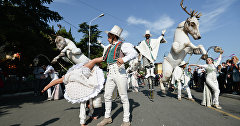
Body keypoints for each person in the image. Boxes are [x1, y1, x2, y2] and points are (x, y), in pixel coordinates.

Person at [42, 57, 104, 126]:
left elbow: (56, 81)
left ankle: (89, 114)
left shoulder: (82, 69)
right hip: (79, 86)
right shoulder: (70, 75)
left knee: (89, 99)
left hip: (84, 82)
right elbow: (97, 60)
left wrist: (45, 88)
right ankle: (83, 121)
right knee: (84, 102)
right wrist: (45, 88)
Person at [97, 25, 137, 126]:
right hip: (110, 72)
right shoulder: (109, 47)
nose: (107, 38)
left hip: (120, 72)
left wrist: (124, 59)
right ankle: (107, 118)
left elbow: (134, 53)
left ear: (114, 36)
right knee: (107, 95)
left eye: (109, 36)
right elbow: (104, 58)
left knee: (123, 96)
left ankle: (126, 120)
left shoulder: (123, 45)